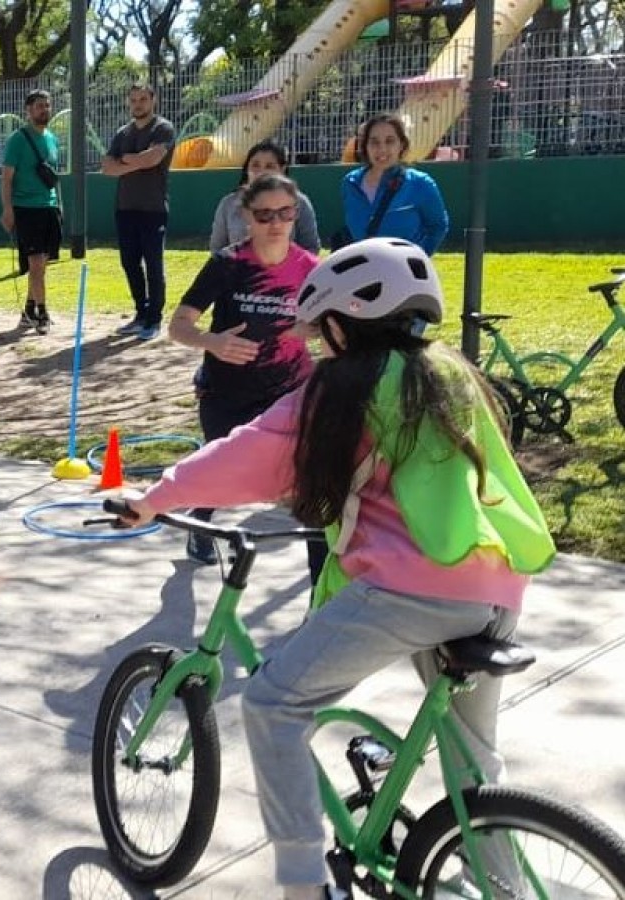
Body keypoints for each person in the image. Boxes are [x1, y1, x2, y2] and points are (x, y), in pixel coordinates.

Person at [116, 238, 555, 900]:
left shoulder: (347, 385)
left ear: (345, 323)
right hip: (495, 584)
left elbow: (252, 452)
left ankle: (301, 885)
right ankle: (499, 887)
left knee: (270, 705)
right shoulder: (450, 372)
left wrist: (152, 498)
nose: (319, 344)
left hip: (411, 589)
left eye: (321, 331)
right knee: (473, 756)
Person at [170, 173, 324, 569]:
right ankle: (200, 522)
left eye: (285, 214)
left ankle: (318, 598)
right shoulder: (228, 264)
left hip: (289, 392)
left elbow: (338, 328)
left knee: (312, 486)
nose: (275, 224)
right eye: (264, 215)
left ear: (296, 214)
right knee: (218, 476)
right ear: (246, 217)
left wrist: (312, 329)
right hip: (227, 393)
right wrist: (213, 342)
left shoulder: (312, 268)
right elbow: (179, 325)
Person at [102, 84, 177, 341]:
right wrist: (136, 161)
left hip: (153, 209)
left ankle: (154, 319)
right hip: (125, 209)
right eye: (133, 100)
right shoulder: (123, 133)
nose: (138, 104)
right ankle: (140, 313)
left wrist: (126, 160)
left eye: (143, 99)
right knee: (129, 263)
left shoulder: (163, 128)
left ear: (153, 100)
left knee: (153, 264)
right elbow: (107, 167)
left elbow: (152, 159)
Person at [338, 113, 449, 255]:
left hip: (405, 272)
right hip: (362, 271)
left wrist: (418, 259)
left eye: (390, 141)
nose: (382, 149)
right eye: (374, 142)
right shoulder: (350, 183)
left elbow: (438, 226)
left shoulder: (420, 183)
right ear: (365, 146)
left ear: (401, 145)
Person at [0, 89, 61, 334]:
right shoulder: (18, 139)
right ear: (28, 110)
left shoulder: (53, 138)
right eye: (38, 106)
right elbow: (6, 178)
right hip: (26, 209)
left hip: (50, 207)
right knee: (35, 263)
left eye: (47, 105)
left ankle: (28, 309)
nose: (44, 110)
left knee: (41, 265)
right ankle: (42, 313)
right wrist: (7, 209)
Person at [208, 141, 320, 254]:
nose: (261, 172)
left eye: (269, 166)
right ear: (247, 169)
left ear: (282, 169)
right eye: (255, 165)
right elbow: (217, 249)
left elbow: (311, 248)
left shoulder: (299, 202)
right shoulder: (229, 204)